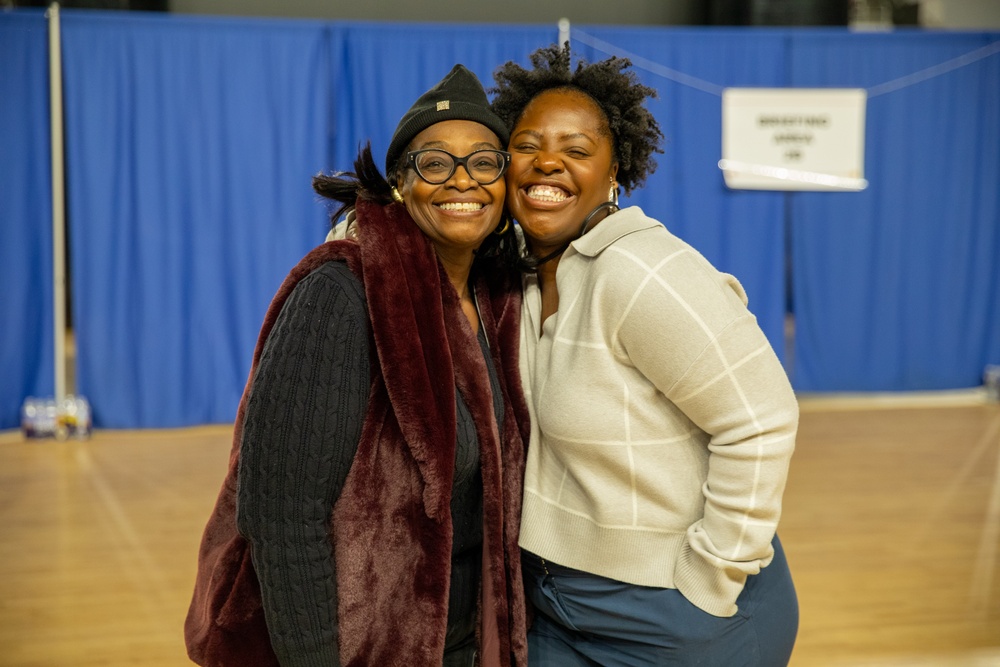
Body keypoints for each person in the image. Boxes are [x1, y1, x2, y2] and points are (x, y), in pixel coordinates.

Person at [185, 64, 530, 667]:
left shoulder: (494, 300)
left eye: (483, 162)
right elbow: (281, 514)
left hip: (459, 644)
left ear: (503, 184)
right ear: (399, 183)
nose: (462, 180)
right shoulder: (342, 293)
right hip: (354, 647)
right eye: (434, 162)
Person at [491, 45, 800, 666]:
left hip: (678, 614)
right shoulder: (518, 278)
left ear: (614, 173)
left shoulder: (645, 271)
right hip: (554, 601)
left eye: (577, 150)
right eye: (527, 145)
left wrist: (711, 579)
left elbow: (762, 418)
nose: (547, 161)